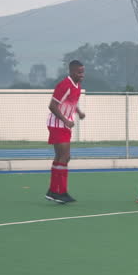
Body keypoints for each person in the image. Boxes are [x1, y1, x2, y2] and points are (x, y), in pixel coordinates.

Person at [45, 60, 86, 204]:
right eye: (79, 72)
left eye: (83, 72)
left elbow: (71, 103)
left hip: (64, 125)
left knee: (60, 157)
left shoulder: (77, 86)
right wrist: (65, 120)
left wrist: (79, 112)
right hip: (58, 124)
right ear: (71, 71)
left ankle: (52, 191)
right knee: (65, 157)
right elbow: (52, 106)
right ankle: (61, 192)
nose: (82, 75)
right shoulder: (64, 85)